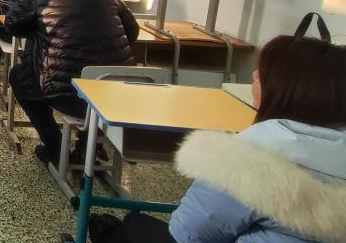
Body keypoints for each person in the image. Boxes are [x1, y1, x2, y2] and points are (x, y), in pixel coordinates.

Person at [91, 28, 346, 243]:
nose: (254, 76)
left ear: (287, 91)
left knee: (128, 227)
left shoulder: (249, 161)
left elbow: (188, 232)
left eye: (263, 74)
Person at [4, 0, 138, 166]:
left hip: (70, 95)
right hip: (117, 94)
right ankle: (89, 146)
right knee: (88, 89)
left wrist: (38, 30)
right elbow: (132, 31)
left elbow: (12, 24)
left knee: (20, 78)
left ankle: (56, 149)